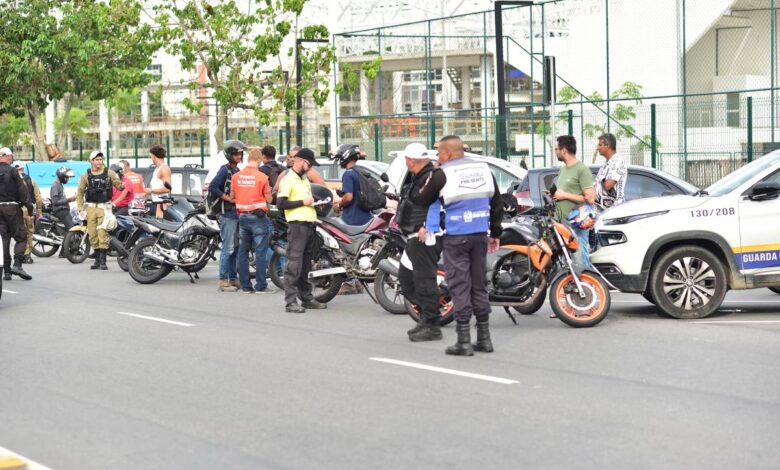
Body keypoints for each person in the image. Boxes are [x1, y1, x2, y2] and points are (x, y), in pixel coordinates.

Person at [414, 135, 503, 356]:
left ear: (447, 153)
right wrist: (495, 233)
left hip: (456, 237)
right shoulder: (484, 169)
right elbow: (497, 203)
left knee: (459, 285)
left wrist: (434, 172)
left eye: (439, 153)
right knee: (478, 285)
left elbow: (421, 199)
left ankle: (464, 341)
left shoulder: (442, 173)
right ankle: (484, 339)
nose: (438, 157)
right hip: (479, 235)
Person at [395, 143, 443, 342]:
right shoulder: (419, 176)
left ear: (411, 160)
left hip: (424, 236)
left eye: (406, 160)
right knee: (406, 280)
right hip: (413, 236)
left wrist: (427, 226)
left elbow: (436, 203)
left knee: (425, 281)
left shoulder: (431, 176)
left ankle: (432, 326)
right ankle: (426, 317)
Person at [276, 148, 327, 313]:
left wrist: (316, 205)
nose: (311, 167)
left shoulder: (304, 179)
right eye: (309, 164)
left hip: (309, 224)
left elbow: (306, 201)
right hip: (297, 225)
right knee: (294, 264)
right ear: (301, 161)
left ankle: (306, 298)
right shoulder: (288, 179)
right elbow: (280, 204)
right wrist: (302, 202)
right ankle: (290, 302)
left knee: (305, 265)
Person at [234, 148, 275, 294]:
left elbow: (232, 196)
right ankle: (261, 286)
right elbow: (269, 198)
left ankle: (246, 286)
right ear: (259, 160)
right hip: (258, 218)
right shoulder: (262, 177)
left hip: (242, 217)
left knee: (243, 252)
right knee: (260, 252)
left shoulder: (236, 176)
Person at [552, 135, 596, 269]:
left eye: (557, 149)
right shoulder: (563, 169)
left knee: (580, 257)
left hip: (576, 223)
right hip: (562, 222)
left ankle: (586, 280)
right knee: (568, 262)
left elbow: (590, 198)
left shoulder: (581, 169)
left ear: (564, 150)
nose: (556, 152)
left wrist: (564, 195)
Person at [76, 151, 124, 270]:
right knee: (92, 234)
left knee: (103, 233)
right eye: (96, 159)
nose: (99, 161)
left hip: (105, 208)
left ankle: (103, 261)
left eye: (100, 159)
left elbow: (119, 186)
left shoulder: (110, 173)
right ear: (91, 161)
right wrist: (80, 209)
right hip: (91, 208)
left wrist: (121, 182)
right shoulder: (85, 176)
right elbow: (80, 193)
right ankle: (97, 260)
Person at [209, 140, 246, 292]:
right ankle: (223, 281)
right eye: (236, 154)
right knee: (228, 248)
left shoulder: (236, 170)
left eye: (240, 154)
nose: (239, 156)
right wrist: (227, 198)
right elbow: (213, 186)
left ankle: (233, 278)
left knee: (235, 248)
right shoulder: (224, 170)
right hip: (228, 214)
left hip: (236, 213)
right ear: (229, 155)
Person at [0, 147, 33, 281]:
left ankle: (7, 272)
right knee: (21, 237)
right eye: (11, 157)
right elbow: (23, 191)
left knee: (4, 240)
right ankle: (17, 265)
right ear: (8, 157)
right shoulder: (13, 171)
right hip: (12, 209)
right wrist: (30, 209)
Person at [332, 143, 373, 226]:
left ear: (345, 156)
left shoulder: (348, 174)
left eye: (339, 157)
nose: (339, 160)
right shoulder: (361, 172)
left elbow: (348, 197)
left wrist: (338, 206)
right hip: (367, 218)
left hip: (352, 219)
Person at [16, 163, 43, 264]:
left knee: (19, 233)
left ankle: (19, 255)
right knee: (29, 233)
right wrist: (39, 212)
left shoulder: (12, 180)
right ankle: (27, 256)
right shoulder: (31, 180)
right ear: (23, 169)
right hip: (28, 210)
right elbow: (38, 198)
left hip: (17, 210)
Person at [595, 133, 627, 209]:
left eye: (600, 145)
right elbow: (598, 183)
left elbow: (607, 186)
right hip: (603, 208)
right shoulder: (607, 163)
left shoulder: (618, 162)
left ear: (608, 146)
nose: (598, 148)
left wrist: (589, 194)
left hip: (614, 210)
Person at [50, 166, 76, 257]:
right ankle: (64, 251)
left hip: (64, 210)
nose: (67, 179)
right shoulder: (55, 186)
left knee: (68, 230)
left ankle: (67, 250)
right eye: (66, 177)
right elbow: (55, 202)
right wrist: (69, 199)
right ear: (61, 176)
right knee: (72, 229)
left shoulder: (59, 185)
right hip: (61, 211)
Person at [144, 145, 171, 217]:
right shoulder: (157, 169)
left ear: (154, 156)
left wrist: (151, 190)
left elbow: (167, 189)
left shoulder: (164, 169)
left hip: (160, 204)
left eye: (151, 156)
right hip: (156, 203)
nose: (151, 158)